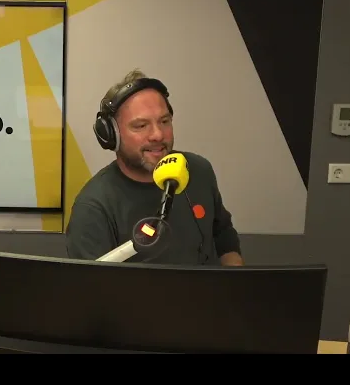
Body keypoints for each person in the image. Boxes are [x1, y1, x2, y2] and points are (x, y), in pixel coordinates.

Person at [65, 69, 243, 266]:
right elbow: (90, 283)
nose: (158, 135)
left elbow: (224, 236)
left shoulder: (198, 170)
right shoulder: (93, 207)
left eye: (164, 121)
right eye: (141, 126)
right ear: (111, 135)